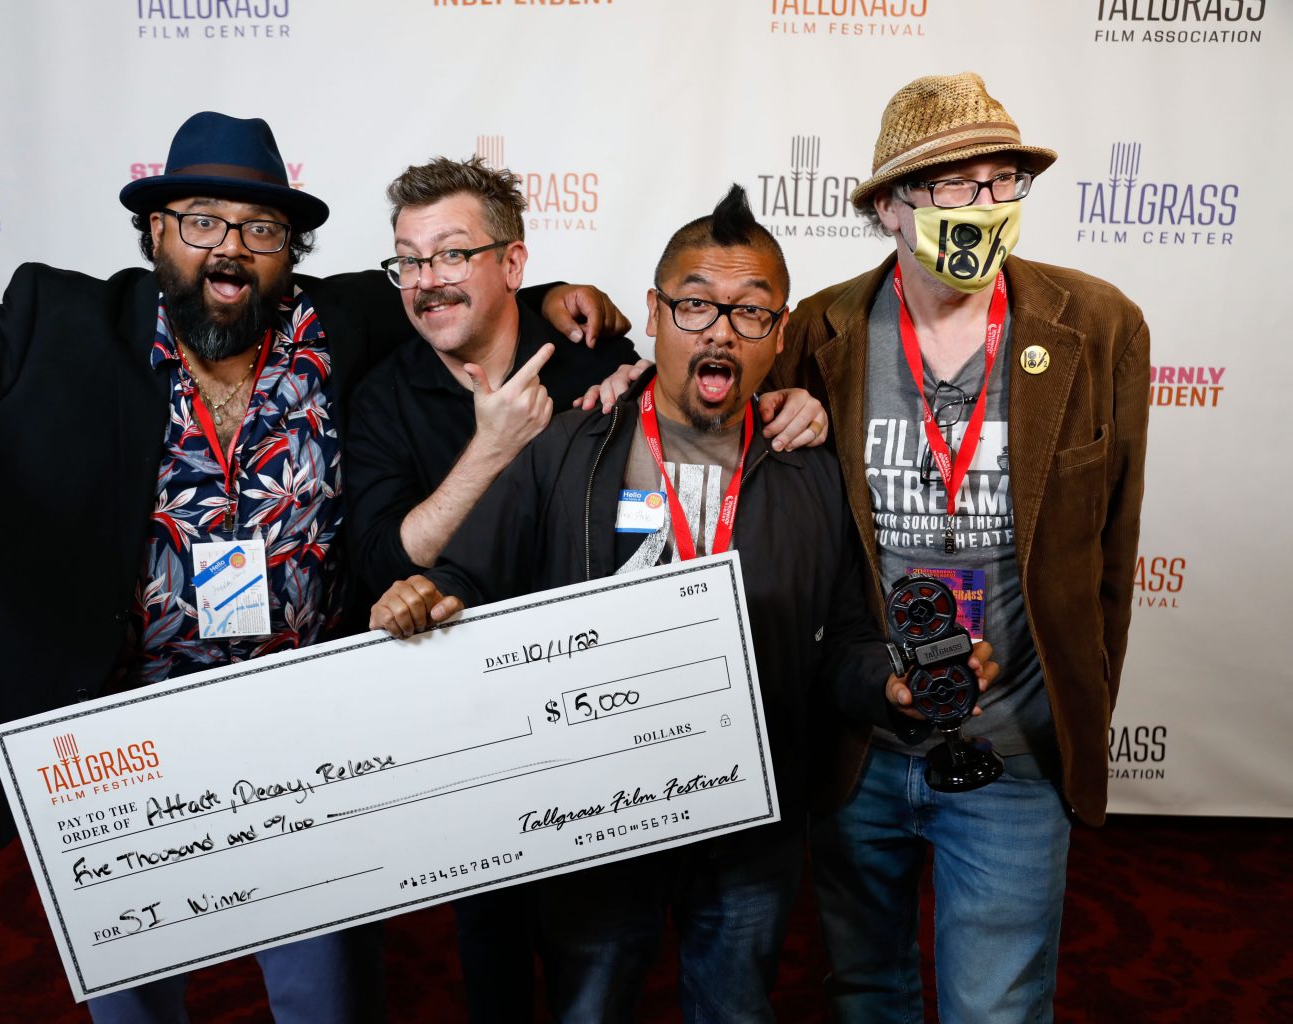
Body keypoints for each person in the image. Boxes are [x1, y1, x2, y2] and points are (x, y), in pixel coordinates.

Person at [0, 111, 628, 1024]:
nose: (230, 250)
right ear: (154, 232)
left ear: (289, 251)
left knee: (329, 1001)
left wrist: (574, 297)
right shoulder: (52, 323)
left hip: (304, 732)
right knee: (135, 1004)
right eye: (202, 220)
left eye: (261, 231)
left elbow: (463, 291)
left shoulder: (336, 320)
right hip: (113, 742)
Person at [370, 185, 994, 1024]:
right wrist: (424, 596)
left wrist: (893, 686)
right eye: (695, 306)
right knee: (586, 1009)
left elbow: (844, 639)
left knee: (734, 1008)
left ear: (778, 336)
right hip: (593, 817)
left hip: (749, 824)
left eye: (750, 313)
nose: (719, 332)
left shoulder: (810, 470)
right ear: (656, 316)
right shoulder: (567, 448)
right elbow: (473, 583)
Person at [762, 73, 1150, 1024]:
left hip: (1015, 751)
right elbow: (715, 409)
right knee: (864, 994)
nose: (984, 205)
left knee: (998, 1010)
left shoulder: (1098, 328)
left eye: (1002, 181)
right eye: (953, 184)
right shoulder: (823, 330)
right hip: (862, 747)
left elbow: (1113, 550)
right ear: (891, 206)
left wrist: (1077, 713)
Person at [343, 156, 640, 1023]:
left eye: (451, 254)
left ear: (512, 265)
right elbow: (381, 557)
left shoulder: (600, 360)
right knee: (494, 961)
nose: (428, 281)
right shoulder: (384, 395)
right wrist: (493, 448)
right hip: (465, 735)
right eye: (410, 260)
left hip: (597, 713)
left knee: (602, 956)